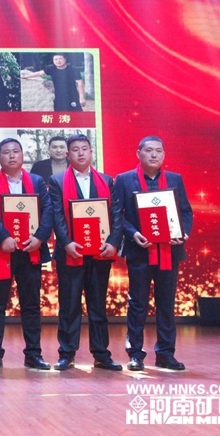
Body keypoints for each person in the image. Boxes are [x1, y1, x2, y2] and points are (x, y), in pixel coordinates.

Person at [114, 136, 193, 371]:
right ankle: (135, 354)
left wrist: (183, 234)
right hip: (140, 251)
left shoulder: (175, 179)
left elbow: (186, 212)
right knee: (137, 304)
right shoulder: (124, 179)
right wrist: (133, 233)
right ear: (138, 153)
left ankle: (166, 354)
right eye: (149, 150)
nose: (154, 155)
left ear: (164, 154)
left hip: (170, 251)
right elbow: (117, 214)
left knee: (166, 304)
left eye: (159, 150)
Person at [48, 134, 123, 371]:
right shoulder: (57, 181)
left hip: (100, 253)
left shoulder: (106, 180)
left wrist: (113, 242)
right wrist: (66, 242)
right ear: (67, 154)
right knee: (69, 306)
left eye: (84, 149)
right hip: (71, 253)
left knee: (98, 306)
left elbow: (116, 213)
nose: (80, 153)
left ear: (91, 152)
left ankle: (101, 354)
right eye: (75, 149)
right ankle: (66, 353)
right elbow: (57, 215)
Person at [0, 139, 53, 371]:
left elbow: (48, 211)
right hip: (1, 250)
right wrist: (3, 237)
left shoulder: (37, 181)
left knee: (31, 304)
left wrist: (39, 238)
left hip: (30, 251)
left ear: (22, 155)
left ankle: (33, 354)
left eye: (15, 151)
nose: (11, 156)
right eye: (6, 153)